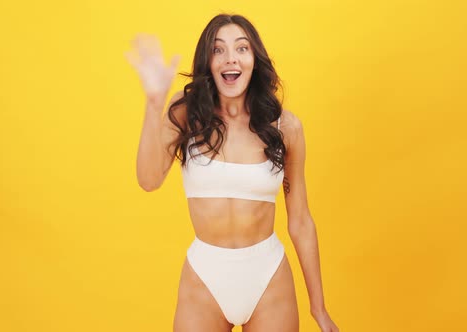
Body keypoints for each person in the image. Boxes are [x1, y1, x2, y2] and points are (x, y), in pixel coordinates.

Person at [125, 13, 339, 332]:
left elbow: (301, 220)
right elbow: (148, 179)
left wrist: (319, 308)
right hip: (204, 280)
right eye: (218, 49)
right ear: (208, 62)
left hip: (268, 279)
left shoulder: (285, 127)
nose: (230, 58)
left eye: (241, 48)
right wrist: (154, 104)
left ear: (254, 59)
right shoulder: (186, 112)